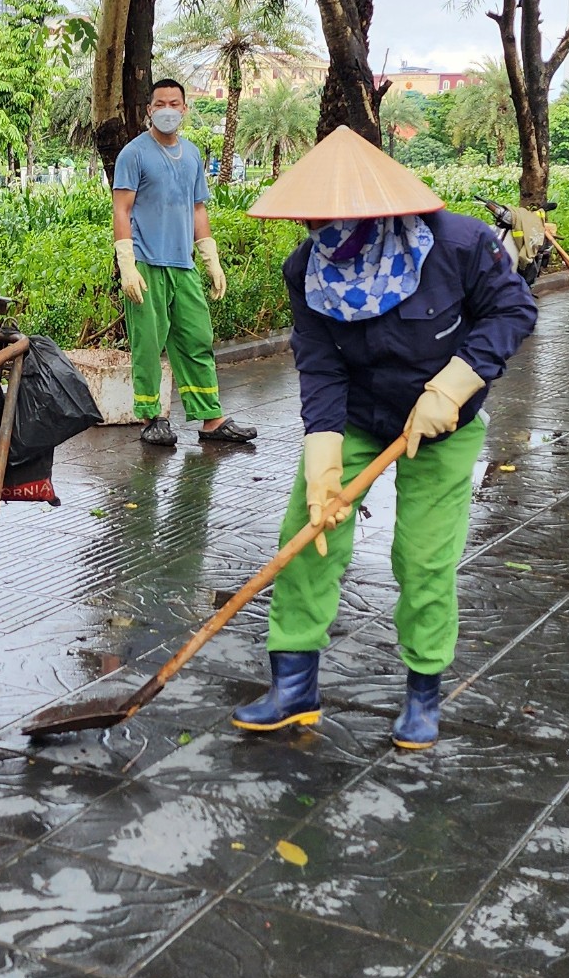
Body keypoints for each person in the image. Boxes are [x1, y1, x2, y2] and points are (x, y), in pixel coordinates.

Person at [229, 128, 538, 750]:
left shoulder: (460, 244)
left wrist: (453, 386)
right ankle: (294, 686)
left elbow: (514, 311)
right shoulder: (306, 271)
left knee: (423, 557)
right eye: (314, 218)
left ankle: (424, 691)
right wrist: (323, 458)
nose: (324, 230)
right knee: (308, 534)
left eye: (336, 217)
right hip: (357, 418)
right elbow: (320, 364)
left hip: (441, 421)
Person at [111, 78, 258, 449]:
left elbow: (198, 208)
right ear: (149, 110)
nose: (167, 110)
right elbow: (122, 209)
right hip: (145, 262)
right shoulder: (134, 154)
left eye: (174, 103)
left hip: (182, 263)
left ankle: (211, 419)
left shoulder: (192, 155)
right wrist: (126, 264)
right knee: (148, 342)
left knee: (196, 338)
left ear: (184, 109)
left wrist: (211, 259)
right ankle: (152, 417)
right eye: (160, 103)